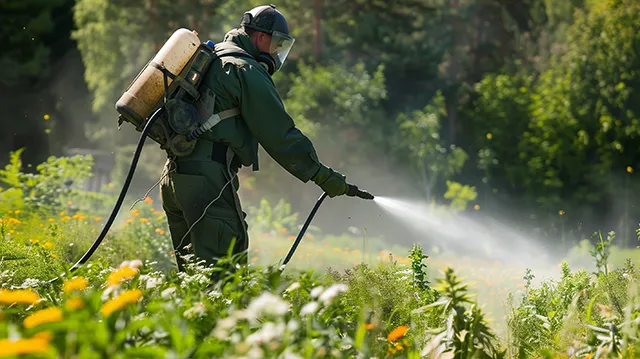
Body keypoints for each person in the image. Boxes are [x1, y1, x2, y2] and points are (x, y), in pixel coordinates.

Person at [159, 4, 363, 275]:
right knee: (223, 276)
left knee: (192, 277)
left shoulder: (213, 57)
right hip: (207, 181)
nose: (276, 52)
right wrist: (324, 177)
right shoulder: (246, 70)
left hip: (174, 178)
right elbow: (280, 135)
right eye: (276, 43)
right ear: (260, 37)